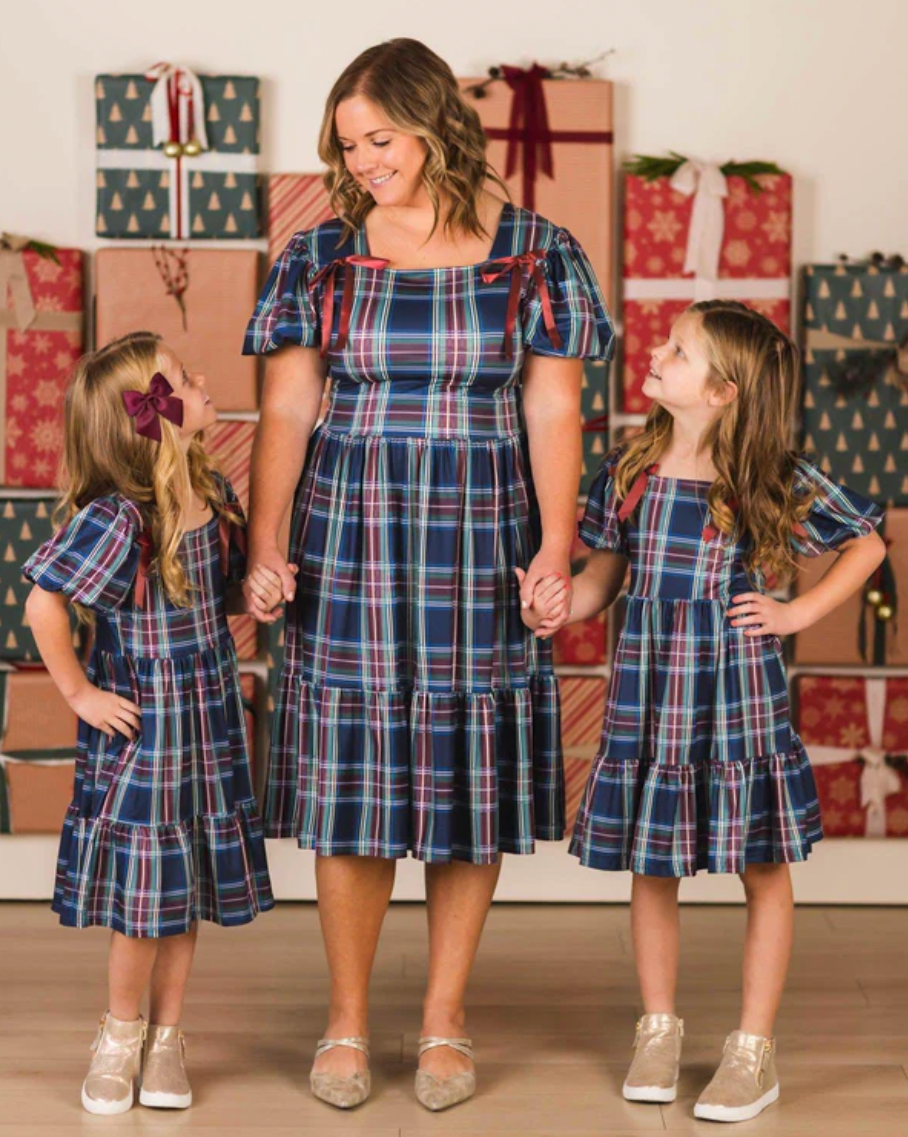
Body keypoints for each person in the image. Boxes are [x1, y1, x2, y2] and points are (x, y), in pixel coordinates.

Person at [242, 37, 613, 1112]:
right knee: (352, 780)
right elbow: (284, 408)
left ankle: (445, 1020)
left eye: (380, 138)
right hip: (347, 530)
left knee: (465, 776)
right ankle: (347, 1022)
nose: (362, 160)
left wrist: (554, 543)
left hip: (479, 533)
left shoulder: (536, 250)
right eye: (347, 144)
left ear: (435, 125)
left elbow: (551, 406)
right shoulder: (318, 257)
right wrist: (267, 544)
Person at [523, 301, 886, 1123]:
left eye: (678, 351)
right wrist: (558, 605)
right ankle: (658, 1026)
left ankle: (752, 1050)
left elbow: (867, 539)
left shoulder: (767, 479)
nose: (658, 353)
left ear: (722, 390)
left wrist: (795, 613)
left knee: (762, 867)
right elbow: (602, 581)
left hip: (736, 699)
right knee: (655, 863)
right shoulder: (630, 468)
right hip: (650, 697)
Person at [22, 332, 276, 1115]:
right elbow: (42, 600)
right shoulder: (118, 519)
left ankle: (169, 1037)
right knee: (142, 895)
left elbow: (214, 595)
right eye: (184, 377)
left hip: (205, 721)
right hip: (147, 730)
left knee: (181, 885)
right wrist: (79, 695)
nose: (201, 378)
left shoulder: (210, 491)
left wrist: (253, 598)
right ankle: (120, 1031)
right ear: (155, 417)